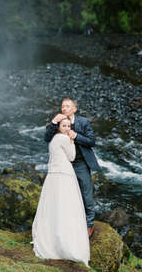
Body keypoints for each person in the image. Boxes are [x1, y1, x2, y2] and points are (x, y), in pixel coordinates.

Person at [32, 117, 90, 267]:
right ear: (58, 127)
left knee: (53, 204)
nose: (67, 128)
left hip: (53, 174)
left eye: (69, 126)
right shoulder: (64, 139)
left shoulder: (53, 138)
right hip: (64, 174)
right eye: (64, 125)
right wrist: (72, 141)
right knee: (67, 205)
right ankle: (64, 241)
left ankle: (51, 236)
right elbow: (71, 156)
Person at [44, 98, 101, 238]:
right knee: (66, 195)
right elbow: (47, 138)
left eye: (68, 106)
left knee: (86, 194)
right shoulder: (57, 121)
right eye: (63, 106)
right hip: (64, 164)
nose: (64, 108)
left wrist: (76, 136)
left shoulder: (83, 122)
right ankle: (69, 223)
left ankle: (89, 225)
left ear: (74, 109)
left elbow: (92, 141)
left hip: (81, 163)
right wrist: (53, 123)